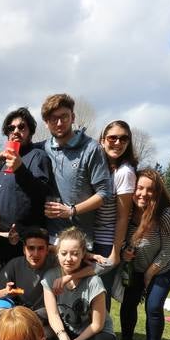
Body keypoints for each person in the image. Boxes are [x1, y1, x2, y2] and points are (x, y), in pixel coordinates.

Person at [118, 168, 170, 340]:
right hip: (137, 266)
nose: (143, 193)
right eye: (139, 188)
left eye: (150, 189)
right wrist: (124, 252)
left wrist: (149, 274)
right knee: (128, 304)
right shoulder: (127, 210)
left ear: (157, 192)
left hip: (165, 266)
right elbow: (123, 239)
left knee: (153, 306)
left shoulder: (165, 213)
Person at [42, 227, 116, 340]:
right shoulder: (50, 277)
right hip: (67, 329)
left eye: (75, 253)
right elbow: (53, 314)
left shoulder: (94, 281)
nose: (69, 258)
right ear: (57, 253)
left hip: (94, 333)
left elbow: (97, 325)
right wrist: (64, 338)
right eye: (64, 253)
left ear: (83, 254)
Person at [40, 93, 111, 245]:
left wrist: (72, 211)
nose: (59, 123)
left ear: (73, 117)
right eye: (53, 119)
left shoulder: (91, 149)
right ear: (46, 122)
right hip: (51, 240)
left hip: (80, 240)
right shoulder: (43, 148)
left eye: (64, 117)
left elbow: (104, 193)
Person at [91, 121, 137, 301]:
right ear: (102, 140)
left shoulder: (124, 172)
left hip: (106, 242)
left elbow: (123, 216)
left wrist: (115, 252)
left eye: (124, 139)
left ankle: (103, 330)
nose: (118, 143)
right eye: (113, 138)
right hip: (90, 239)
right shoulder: (98, 167)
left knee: (100, 297)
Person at [0, 107, 51, 232]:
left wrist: (20, 169)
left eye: (21, 127)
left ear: (30, 132)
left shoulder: (38, 156)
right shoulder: (2, 161)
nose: (16, 131)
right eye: (11, 128)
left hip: (22, 238)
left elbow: (42, 194)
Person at [0, 227, 55, 316]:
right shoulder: (15, 264)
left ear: (47, 250)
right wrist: (5, 292)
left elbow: (77, 251)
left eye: (40, 248)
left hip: (46, 314)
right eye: (31, 248)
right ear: (24, 250)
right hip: (19, 315)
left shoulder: (57, 263)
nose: (35, 254)